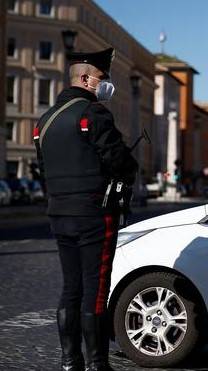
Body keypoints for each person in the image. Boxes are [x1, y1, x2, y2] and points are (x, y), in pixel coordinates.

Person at [34, 47, 138, 371]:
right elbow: (119, 161)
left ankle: (69, 361)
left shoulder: (45, 120)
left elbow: (43, 170)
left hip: (59, 214)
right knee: (94, 290)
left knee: (71, 288)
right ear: (86, 78)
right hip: (93, 214)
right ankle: (97, 363)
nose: (106, 84)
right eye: (102, 78)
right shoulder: (93, 114)